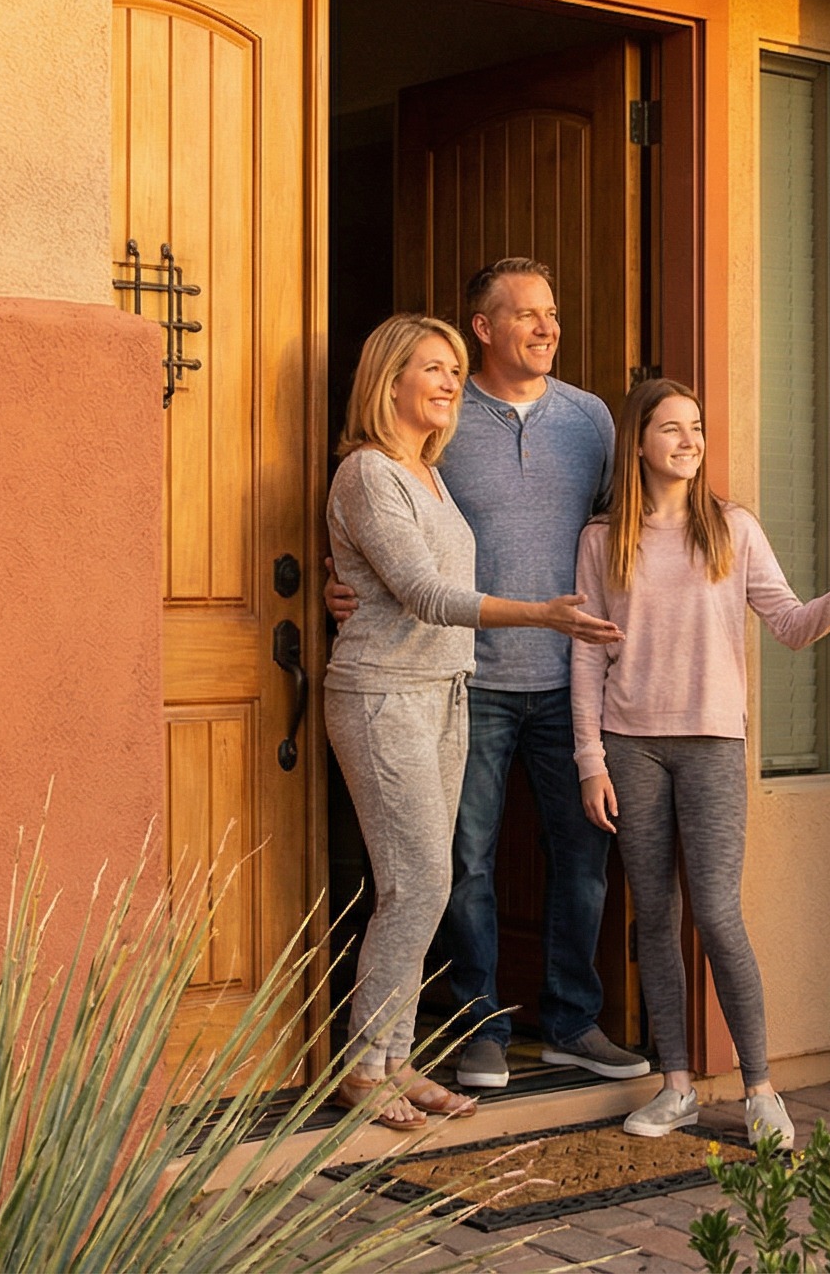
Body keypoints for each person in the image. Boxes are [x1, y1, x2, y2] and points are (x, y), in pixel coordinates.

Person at [573, 378, 830, 1147]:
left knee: (719, 913)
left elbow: (793, 626)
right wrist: (589, 759)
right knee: (655, 920)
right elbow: (587, 654)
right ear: (639, 443)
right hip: (631, 747)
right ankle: (675, 1087)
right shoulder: (604, 539)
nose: (689, 441)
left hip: (711, 747)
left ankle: (761, 1088)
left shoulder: (731, 529)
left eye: (696, 427)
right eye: (671, 429)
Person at [331, 257, 649, 1093]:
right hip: (468, 679)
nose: (547, 327)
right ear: (483, 327)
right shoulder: (430, 433)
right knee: (454, 868)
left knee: (580, 856)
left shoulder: (587, 421)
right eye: (527, 315)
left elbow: (622, 535)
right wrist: (348, 586)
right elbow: (405, 564)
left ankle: (572, 1021)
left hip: (566, 679)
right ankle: (475, 1028)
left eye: (552, 312)